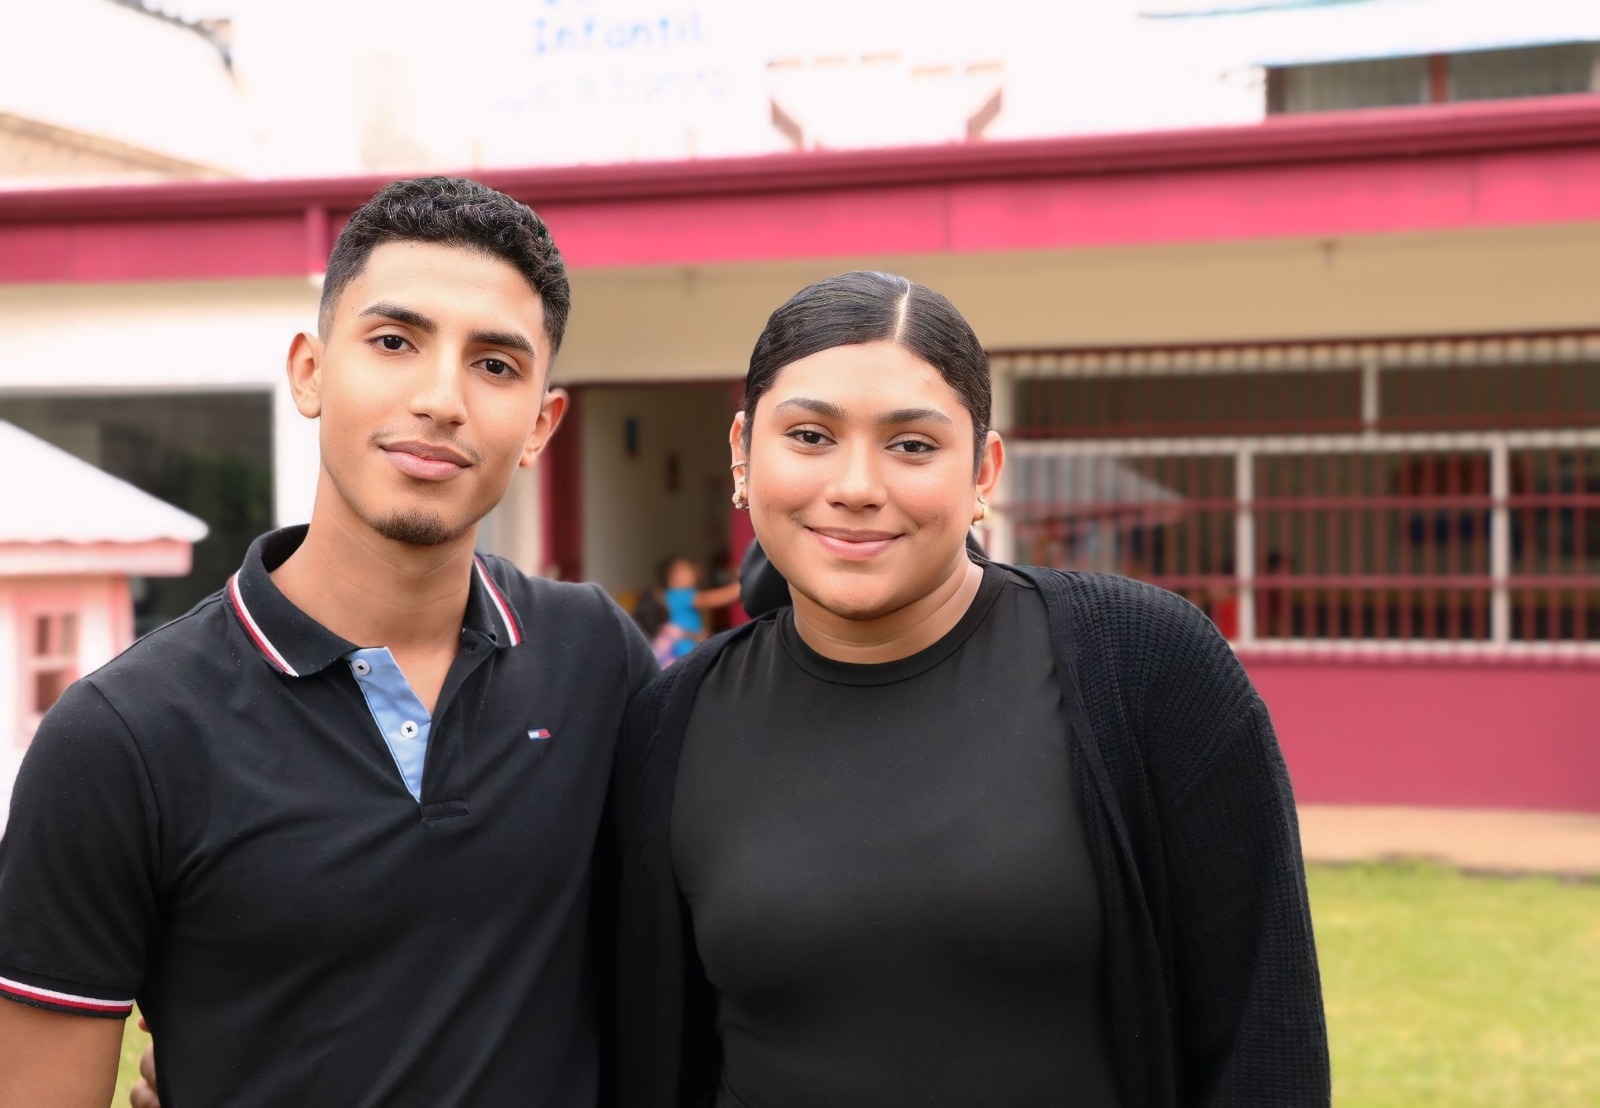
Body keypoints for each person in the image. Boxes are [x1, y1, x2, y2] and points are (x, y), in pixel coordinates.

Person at [0, 177, 655, 1107]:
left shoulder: (596, 659)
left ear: (541, 425)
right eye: (394, 342)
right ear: (309, 371)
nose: (441, 399)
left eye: (495, 364)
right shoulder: (122, 736)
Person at [614, 271, 1330, 1107]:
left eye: (912, 445)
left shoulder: (1145, 667)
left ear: (984, 469)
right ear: (743, 452)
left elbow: (1262, 1031)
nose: (856, 486)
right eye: (809, 436)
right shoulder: (672, 722)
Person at [659, 555, 741, 661]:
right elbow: (711, 599)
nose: (691, 572)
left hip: (691, 651)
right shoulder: (678, 595)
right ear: (672, 580)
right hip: (686, 653)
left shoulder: (674, 596)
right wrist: (741, 585)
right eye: (685, 570)